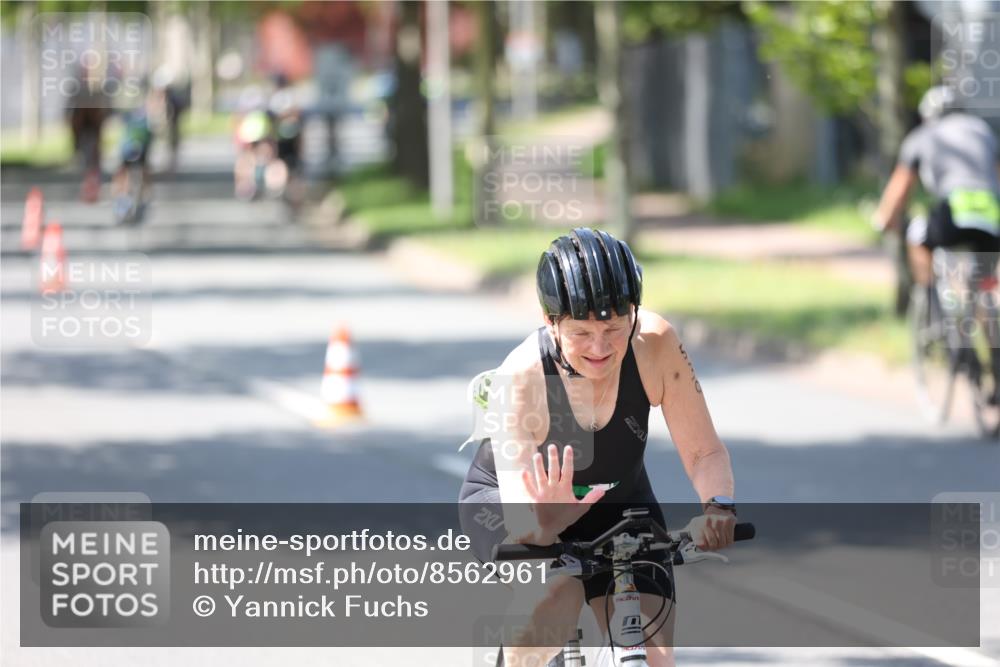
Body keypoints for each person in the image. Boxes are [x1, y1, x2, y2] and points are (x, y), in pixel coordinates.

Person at [459, 228, 737, 667]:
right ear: (550, 321)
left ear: (634, 313)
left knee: (654, 654)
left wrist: (718, 506)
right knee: (555, 597)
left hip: (618, 506)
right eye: (581, 332)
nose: (600, 347)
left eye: (613, 327)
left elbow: (705, 452)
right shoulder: (524, 377)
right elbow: (523, 520)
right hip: (517, 508)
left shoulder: (654, 344)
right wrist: (544, 521)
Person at [872, 84, 1000, 395]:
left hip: (952, 211)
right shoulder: (982, 132)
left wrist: (883, 221)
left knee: (918, 235)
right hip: (991, 215)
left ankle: (930, 297)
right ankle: (994, 367)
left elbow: (900, 188)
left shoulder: (922, 136)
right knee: (982, 287)